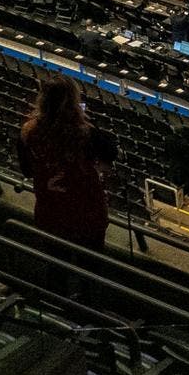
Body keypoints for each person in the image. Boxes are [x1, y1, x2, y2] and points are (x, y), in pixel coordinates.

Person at [18, 76, 117, 251]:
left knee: (55, 262)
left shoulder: (28, 132)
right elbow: (111, 153)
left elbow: (27, 171)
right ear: (73, 102)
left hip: (49, 213)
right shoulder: (86, 132)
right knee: (91, 264)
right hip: (87, 215)